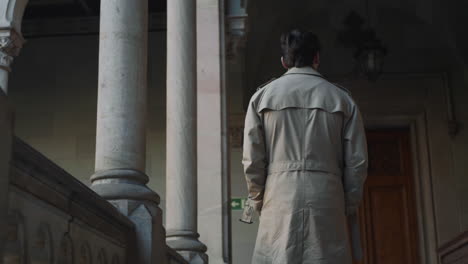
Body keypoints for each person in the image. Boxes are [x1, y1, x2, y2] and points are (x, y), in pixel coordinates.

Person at [241, 29, 368, 264]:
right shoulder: (343, 100)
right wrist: (347, 204)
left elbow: (252, 160)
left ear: (284, 61)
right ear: (317, 58)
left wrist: (258, 199)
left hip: (279, 195)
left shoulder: (262, 98)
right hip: (327, 197)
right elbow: (357, 163)